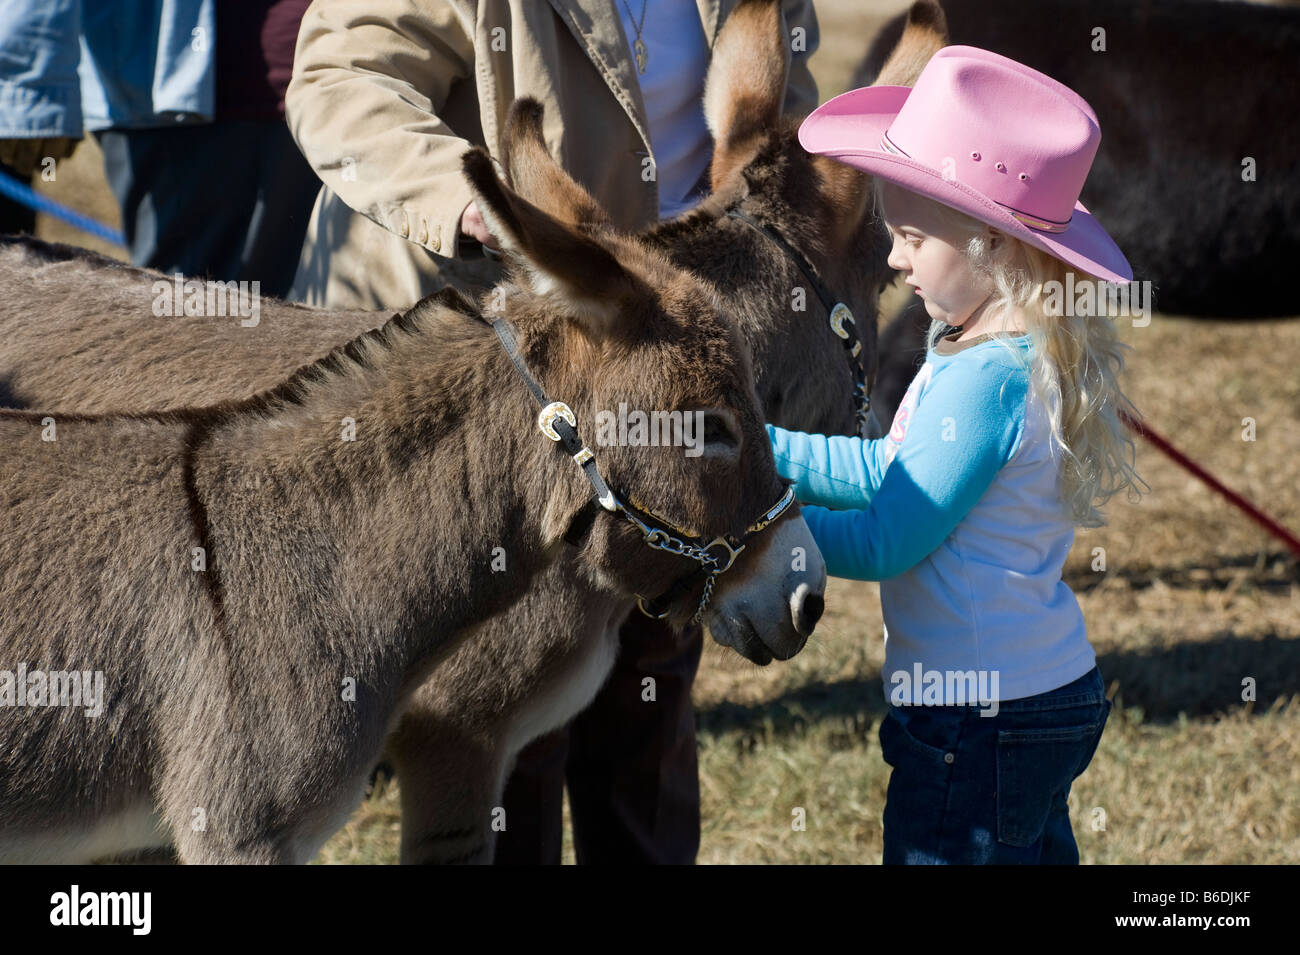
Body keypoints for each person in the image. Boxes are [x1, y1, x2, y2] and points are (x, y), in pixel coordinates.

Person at [285, 0, 820, 864]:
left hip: (675, 375)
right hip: (493, 364)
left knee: (648, 702)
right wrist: (464, 202)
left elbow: (783, 108)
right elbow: (339, 80)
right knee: (508, 715)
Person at [766, 45, 1150, 864]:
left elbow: (886, 539)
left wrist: (761, 527)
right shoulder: (982, 348)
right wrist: (762, 456)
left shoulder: (985, 383)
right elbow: (888, 477)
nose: (894, 256)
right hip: (1035, 697)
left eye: (909, 235)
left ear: (991, 246)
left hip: (976, 721)